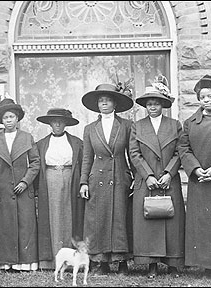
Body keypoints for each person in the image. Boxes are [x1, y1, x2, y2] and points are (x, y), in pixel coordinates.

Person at [129, 76, 185, 278]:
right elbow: (134, 154)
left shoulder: (175, 124)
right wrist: (148, 175)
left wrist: (170, 173)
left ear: (163, 104)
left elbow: (181, 151)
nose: (152, 107)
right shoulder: (138, 126)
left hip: (169, 180)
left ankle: (172, 263)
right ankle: (151, 263)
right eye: (149, 103)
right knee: (149, 222)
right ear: (145, 106)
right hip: (147, 181)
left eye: (156, 103)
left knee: (172, 222)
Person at [79, 82, 134, 275]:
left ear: (115, 104)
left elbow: (132, 154)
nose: (104, 104)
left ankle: (122, 262)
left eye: (108, 100)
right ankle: (102, 262)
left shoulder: (126, 126)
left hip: (119, 175)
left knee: (120, 218)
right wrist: (84, 182)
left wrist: (135, 177)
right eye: (101, 101)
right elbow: (87, 157)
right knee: (98, 219)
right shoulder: (90, 128)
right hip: (97, 178)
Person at [0, 98, 40, 272]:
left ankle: (24, 263)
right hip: (2, 191)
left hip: (23, 191)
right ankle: (4, 262)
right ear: (1, 120)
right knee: (3, 227)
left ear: (17, 119)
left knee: (25, 226)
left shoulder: (27, 137)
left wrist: (25, 181)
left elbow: (35, 163)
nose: (8, 120)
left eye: (11, 117)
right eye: (5, 117)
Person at [178, 74, 211, 278]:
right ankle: (207, 266)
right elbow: (183, 148)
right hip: (200, 180)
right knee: (203, 224)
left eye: (210, 96)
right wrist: (196, 169)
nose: (206, 100)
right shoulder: (190, 122)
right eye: (202, 96)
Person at [35, 108, 85, 269]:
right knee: (53, 215)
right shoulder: (41, 144)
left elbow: (84, 164)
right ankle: (52, 259)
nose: (57, 124)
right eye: (54, 121)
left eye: (61, 121)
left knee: (70, 215)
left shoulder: (77, 143)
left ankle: (71, 259)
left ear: (66, 124)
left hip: (71, 177)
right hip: (50, 177)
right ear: (49, 123)